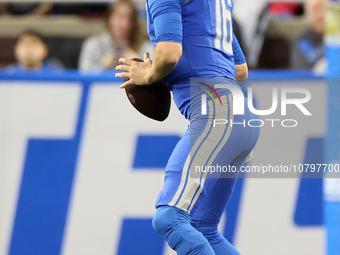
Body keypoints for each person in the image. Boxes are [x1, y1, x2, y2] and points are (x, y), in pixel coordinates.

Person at [116, 0, 260, 254]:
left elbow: (170, 54)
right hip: (241, 113)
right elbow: (240, 68)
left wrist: (148, 75)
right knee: (204, 229)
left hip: (216, 111)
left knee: (169, 218)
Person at [79, 0, 154, 71]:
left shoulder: (146, 47)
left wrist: (138, 62)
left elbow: (155, 75)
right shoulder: (93, 45)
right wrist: (102, 66)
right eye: (120, 17)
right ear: (109, 19)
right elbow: (82, 76)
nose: (125, 24)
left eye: (130, 19)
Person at [291, 0, 326, 72]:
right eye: (316, 10)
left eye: (325, 9)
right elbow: (302, 77)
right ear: (307, 15)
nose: (321, 16)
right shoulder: (302, 43)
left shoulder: (336, 39)